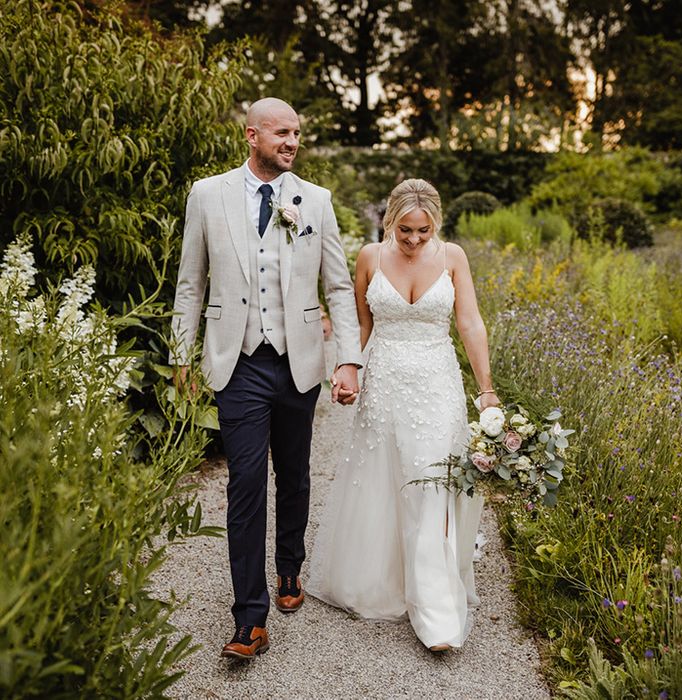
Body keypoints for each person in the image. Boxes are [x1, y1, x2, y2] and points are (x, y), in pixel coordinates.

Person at [170, 97, 362, 659]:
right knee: (246, 483)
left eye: (297, 133)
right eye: (281, 133)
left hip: (298, 361)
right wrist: (183, 356)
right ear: (251, 136)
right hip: (238, 363)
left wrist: (347, 358)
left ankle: (289, 568)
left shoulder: (315, 201)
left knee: (296, 476)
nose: (292, 142)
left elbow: (338, 288)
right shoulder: (208, 195)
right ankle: (248, 618)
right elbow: (190, 285)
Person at [307, 178, 500, 651]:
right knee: (384, 479)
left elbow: (470, 323)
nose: (414, 240)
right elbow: (359, 324)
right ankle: (385, 581)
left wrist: (487, 390)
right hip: (386, 380)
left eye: (423, 230)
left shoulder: (453, 257)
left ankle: (435, 609)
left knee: (432, 482)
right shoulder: (370, 258)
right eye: (405, 230)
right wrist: (346, 370)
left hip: (438, 382)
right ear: (389, 220)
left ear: (436, 222)